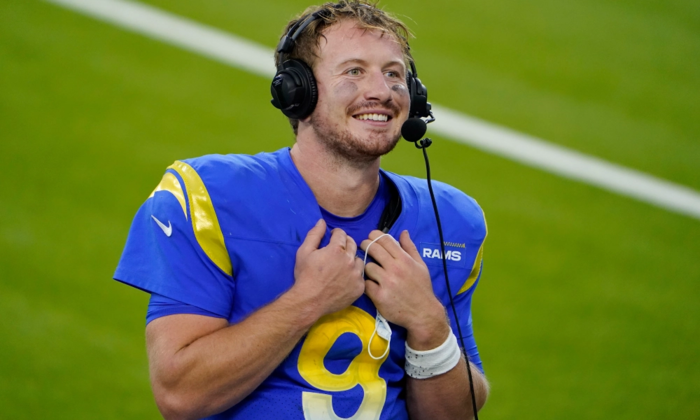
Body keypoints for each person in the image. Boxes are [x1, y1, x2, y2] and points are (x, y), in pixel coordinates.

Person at [114, 1, 489, 419]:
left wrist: (430, 327)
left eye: (394, 74)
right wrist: (307, 302)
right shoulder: (210, 199)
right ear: (297, 91)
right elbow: (180, 395)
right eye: (354, 71)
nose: (382, 92)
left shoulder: (449, 221)